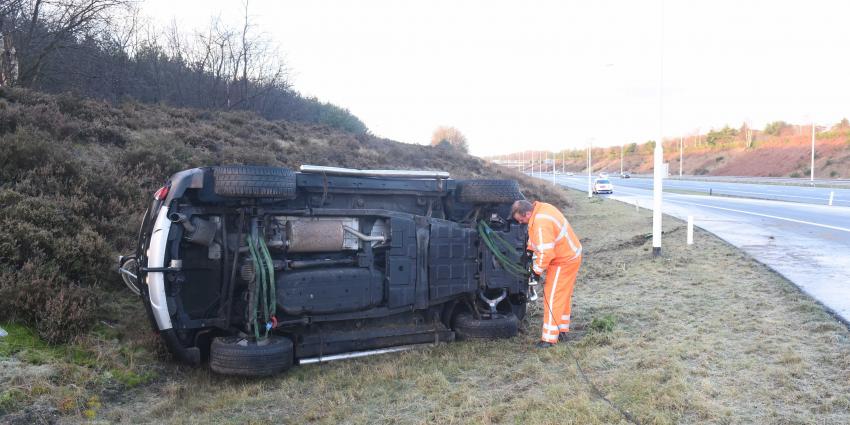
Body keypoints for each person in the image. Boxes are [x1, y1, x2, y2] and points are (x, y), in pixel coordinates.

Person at [511, 200, 583, 348]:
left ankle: (549, 339)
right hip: (571, 255)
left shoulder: (541, 221)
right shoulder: (541, 209)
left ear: (528, 213)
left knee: (552, 297)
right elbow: (536, 234)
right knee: (562, 295)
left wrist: (536, 272)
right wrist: (530, 250)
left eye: (521, 219)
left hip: (563, 261)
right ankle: (561, 330)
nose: (521, 223)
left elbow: (547, 252)